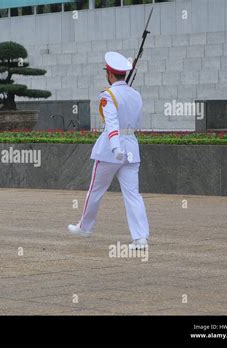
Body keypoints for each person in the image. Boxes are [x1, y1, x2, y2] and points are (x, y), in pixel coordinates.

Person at [68, 51, 150, 250]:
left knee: (95, 191)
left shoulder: (109, 95)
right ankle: (140, 238)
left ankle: (85, 227)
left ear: (110, 75)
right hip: (131, 147)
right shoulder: (135, 94)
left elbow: (112, 124)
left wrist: (115, 147)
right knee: (133, 195)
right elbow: (134, 122)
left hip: (110, 151)